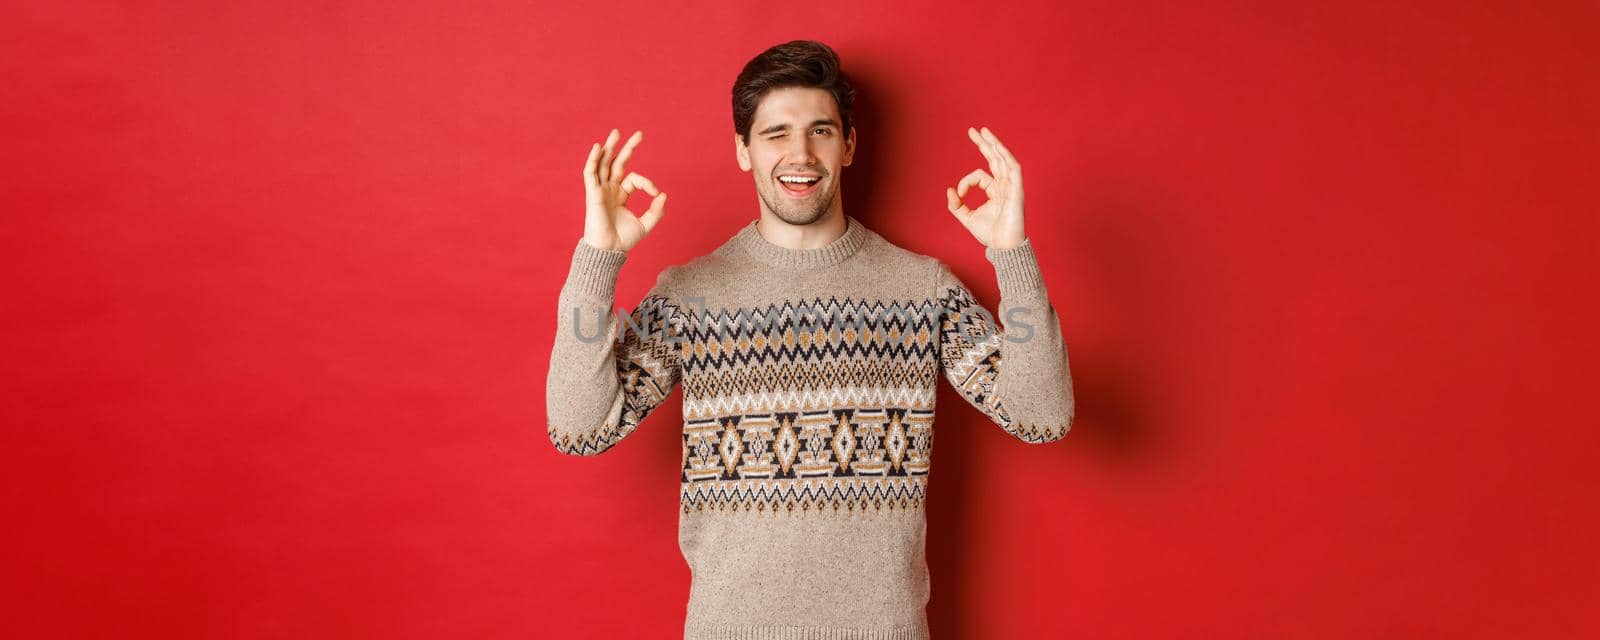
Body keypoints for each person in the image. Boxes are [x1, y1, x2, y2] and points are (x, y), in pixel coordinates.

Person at [546, 39, 1075, 640]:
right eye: (775, 134)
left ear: (848, 145)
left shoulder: (920, 290)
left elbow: (1043, 416)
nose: (800, 153)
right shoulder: (690, 296)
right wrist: (598, 262)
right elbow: (578, 428)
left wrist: (1013, 260)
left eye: (821, 131)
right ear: (743, 151)